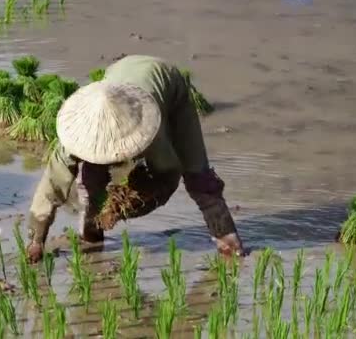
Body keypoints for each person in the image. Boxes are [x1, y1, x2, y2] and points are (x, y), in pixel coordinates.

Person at [26, 54, 245, 263]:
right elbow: (51, 186)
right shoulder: (74, 136)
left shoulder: (150, 130)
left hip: (168, 86)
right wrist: (36, 240)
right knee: (90, 176)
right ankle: (90, 236)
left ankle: (228, 242)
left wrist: (126, 204)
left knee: (199, 178)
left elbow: (169, 177)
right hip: (119, 75)